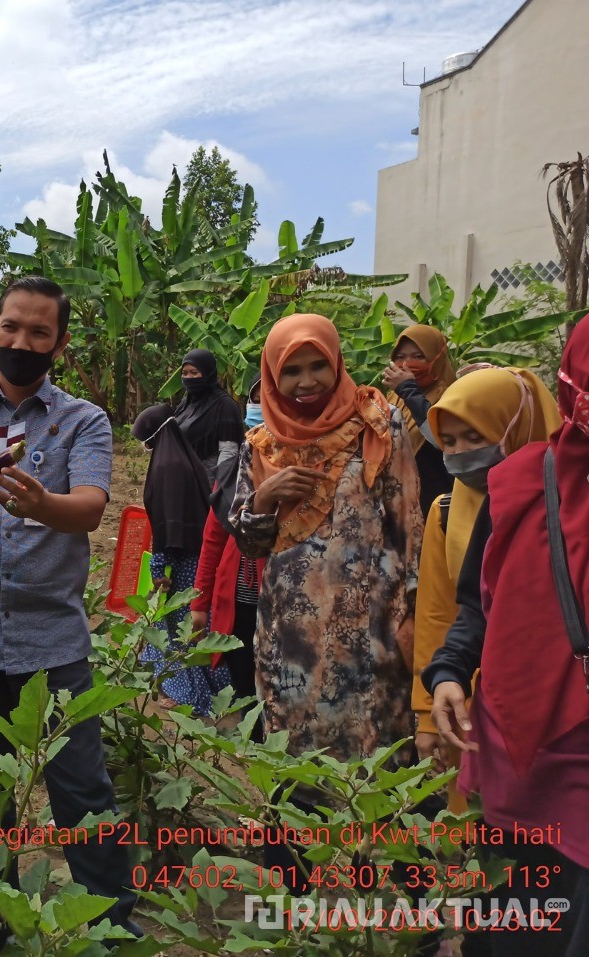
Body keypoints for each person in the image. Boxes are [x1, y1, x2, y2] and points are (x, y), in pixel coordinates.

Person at [0, 276, 138, 933]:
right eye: (11, 327)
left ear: (59, 345)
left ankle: (111, 922)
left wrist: (43, 504)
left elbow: (90, 507)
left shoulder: (83, 420)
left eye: (40, 332)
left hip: (50, 637)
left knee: (82, 786)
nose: (21, 341)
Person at [425, 320, 589, 957]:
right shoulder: (523, 483)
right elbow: (476, 603)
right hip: (524, 756)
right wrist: (446, 672)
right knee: (518, 923)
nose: (461, 452)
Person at [228, 313, 423, 760]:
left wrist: (412, 612)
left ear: (337, 362)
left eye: (318, 365)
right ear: (272, 376)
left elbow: (409, 526)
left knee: (374, 750)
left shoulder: (379, 425)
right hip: (290, 635)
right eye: (291, 371)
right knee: (295, 750)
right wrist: (264, 498)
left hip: (372, 625)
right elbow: (249, 544)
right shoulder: (262, 444)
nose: (307, 381)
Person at [410, 368, 560, 813]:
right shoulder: (446, 511)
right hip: (469, 706)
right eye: (448, 441)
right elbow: (439, 613)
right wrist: (427, 712)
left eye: (474, 437)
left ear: (516, 426)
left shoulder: (566, 509)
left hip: (555, 707)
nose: (459, 453)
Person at [132, 351, 242, 711]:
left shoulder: (224, 408)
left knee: (184, 616)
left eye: (196, 373)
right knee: (187, 614)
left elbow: (229, 455)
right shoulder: (185, 406)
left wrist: (217, 491)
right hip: (190, 495)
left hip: (205, 497)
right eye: (186, 372)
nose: (190, 378)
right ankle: (204, 684)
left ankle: (192, 694)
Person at [190, 376, 265, 724]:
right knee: (243, 680)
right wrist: (199, 603)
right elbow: (213, 538)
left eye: (269, 399)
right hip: (236, 600)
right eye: (256, 400)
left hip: (280, 605)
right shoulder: (235, 467)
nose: (261, 408)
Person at [382, 324, 456, 516]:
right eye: (400, 357)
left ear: (437, 358)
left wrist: (409, 391)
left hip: (439, 506)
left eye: (418, 356)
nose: (407, 364)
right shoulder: (393, 398)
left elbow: (440, 437)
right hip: (399, 504)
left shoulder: (452, 396)